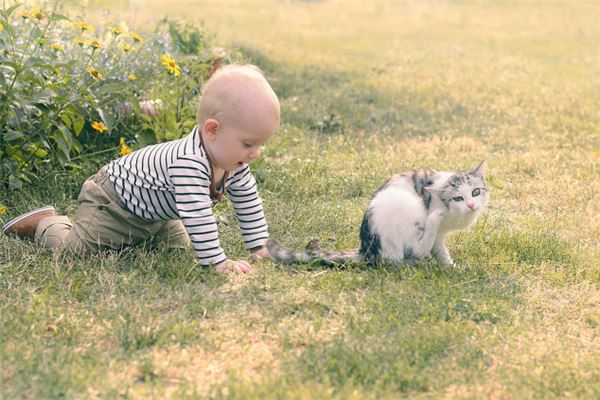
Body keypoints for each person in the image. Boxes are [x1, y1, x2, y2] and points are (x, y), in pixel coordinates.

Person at [2, 64, 280, 274]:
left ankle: (136, 237)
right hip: (113, 200)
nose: (254, 154)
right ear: (212, 130)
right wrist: (217, 263)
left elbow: (247, 200)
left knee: (175, 247)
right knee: (77, 251)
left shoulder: (234, 160)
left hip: (155, 213)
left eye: (259, 145)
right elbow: (197, 214)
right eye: (248, 143)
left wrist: (258, 246)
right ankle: (45, 223)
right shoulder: (189, 162)